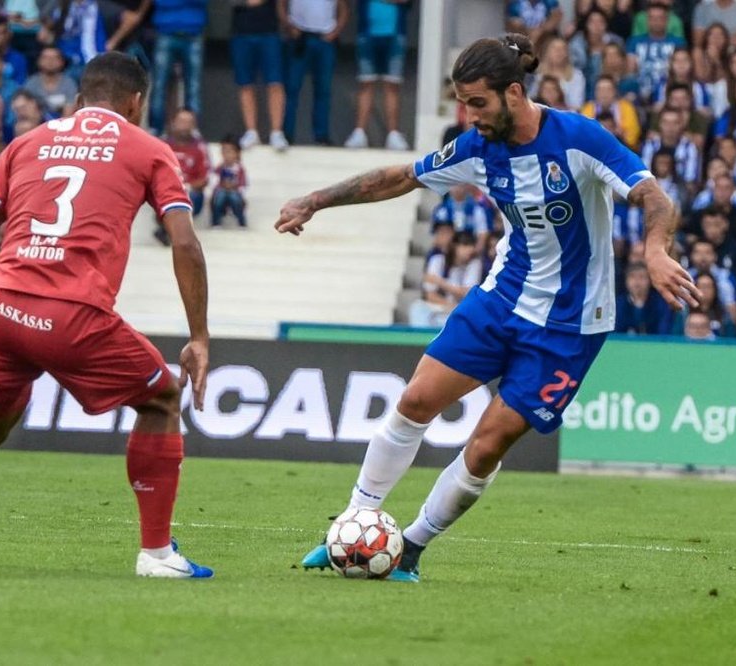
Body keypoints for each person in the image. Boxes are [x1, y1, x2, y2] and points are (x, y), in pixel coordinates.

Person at [277, 34, 696, 582]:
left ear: (514, 94)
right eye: (462, 102)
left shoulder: (578, 138)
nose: (468, 115)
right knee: (414, 402)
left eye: (478, 103)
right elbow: (403, 176)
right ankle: (357, 519)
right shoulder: (477, 147)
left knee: (486, 445)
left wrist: (656, 248)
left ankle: (411, 548)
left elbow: (653, 195)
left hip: (571, 326)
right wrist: (316, 199)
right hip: (502, 299)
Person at [0, 52, 214, 579]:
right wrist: (198, 335)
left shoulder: (24, 143)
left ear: (79, 100)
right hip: (73, 314)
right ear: (137, 103)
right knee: (161, 400)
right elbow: (185, 244)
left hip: (5, 305)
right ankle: (156, 555)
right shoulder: (150, 149)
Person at [343, 0, 412, 151]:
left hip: (395, 35)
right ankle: (359, 132)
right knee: (365, 84)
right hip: (366, 34)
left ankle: (393, 134)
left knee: (392, 85)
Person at [280, 0, 350, 145]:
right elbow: (280, 4)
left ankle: (321, 135)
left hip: (325, 38)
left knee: (323, 90)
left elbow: (343, 8)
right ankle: (286, 134)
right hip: (300, 37)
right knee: (291, 88)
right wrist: (288, 25)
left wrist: (336, 31)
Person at [230, 0, 288, 151]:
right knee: (245, 84)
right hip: (241, 31)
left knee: (275, 83)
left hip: (269, 31)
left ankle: (276, 132)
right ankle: (251, 132)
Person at [146, 0, 209, 134]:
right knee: (159, 84)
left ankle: (191, 129)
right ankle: (156, 128)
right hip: (165, 31)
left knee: (193, 85)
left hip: (193, 31)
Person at [163, 107, 209, 217]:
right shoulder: (162, 145)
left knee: (193, 196)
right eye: (182, 122)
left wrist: (187, 187)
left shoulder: (200, 148)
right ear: (173, 123)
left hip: (190, 193)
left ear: (194, 125)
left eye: (189, 122)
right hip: (166, 192)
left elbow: (204, 179)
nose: (185, 126)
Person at [615, 262, 672, 334]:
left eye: (642, 277)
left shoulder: (660, 303)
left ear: (650, 281)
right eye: (632, 277)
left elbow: (663, 330)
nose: (637, 282)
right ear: (626, 281)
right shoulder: (618, 304)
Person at [25, 46, 79, 119]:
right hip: (37, 125)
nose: (50, 61)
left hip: (62, 124)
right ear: (39, 61)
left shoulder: (69, 83)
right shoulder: (31, 83)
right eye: (46, 57)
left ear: (62, 62)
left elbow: (69, 112)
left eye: (55, 58)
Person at [210, 136, 247, 229]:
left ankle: (242, 222)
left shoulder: (240, 169)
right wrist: (222, 186)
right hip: (221, 192)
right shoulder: (219, 168)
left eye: (229, 152)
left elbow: (243, 184)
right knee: (219, 197)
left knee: (234, 197)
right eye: (223, 151)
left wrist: (235, 187)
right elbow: (214, 183)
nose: (226, 155)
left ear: (237, 153)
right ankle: (216, 222)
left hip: (234, 192)